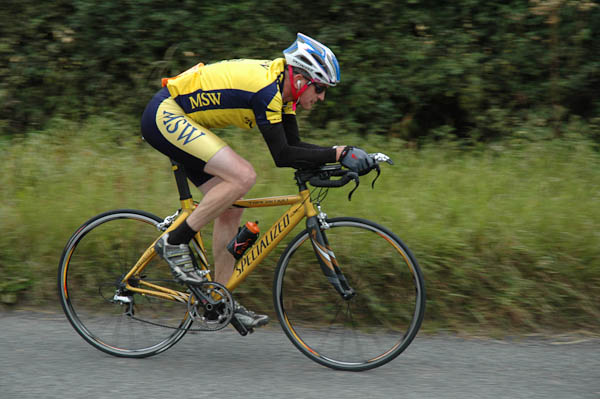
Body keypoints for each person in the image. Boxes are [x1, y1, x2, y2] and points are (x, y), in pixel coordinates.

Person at [140, 32, 374, 329]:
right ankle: (174, 243)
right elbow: (282, 155)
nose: (322, 97)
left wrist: (342, 156)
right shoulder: (267, 92)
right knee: (243, 175)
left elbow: (296, 148)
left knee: (231, 207)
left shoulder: (282, 95)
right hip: (165, 114)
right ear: (301, 80)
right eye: (321, 88)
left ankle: (216, 298)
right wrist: (339, 153)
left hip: (185, 121)